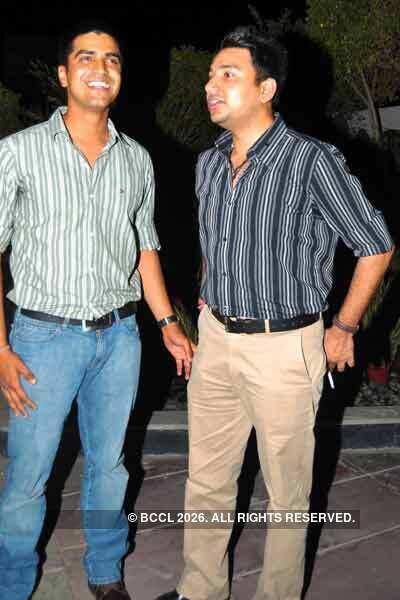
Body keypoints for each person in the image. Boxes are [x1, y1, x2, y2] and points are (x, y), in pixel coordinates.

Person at [156, 26, 394, 600]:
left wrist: (343, 327)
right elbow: (215, 245)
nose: (210, 86)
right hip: (217, 340)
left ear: (266, 89)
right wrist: (210, 297)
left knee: (286, 494)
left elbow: (376, 244)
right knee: (206, 480)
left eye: (227, 74)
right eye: (210, 75)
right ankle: (199, 590)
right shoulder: (209, 163)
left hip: (284, 348)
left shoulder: (312, 160)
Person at [0, 21, 193, 600]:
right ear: (64, 74)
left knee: (110, 466)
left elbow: (145, 249)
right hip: (42, 340)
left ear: (120, 75)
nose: (100, 68)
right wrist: (1, 348)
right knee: (28, 476)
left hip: (119, 338)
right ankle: (13, 583)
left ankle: (106, 573)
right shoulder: (17, 153)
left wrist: (168, 324)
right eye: (86, 58)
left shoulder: (136, 160)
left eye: (111, 59)